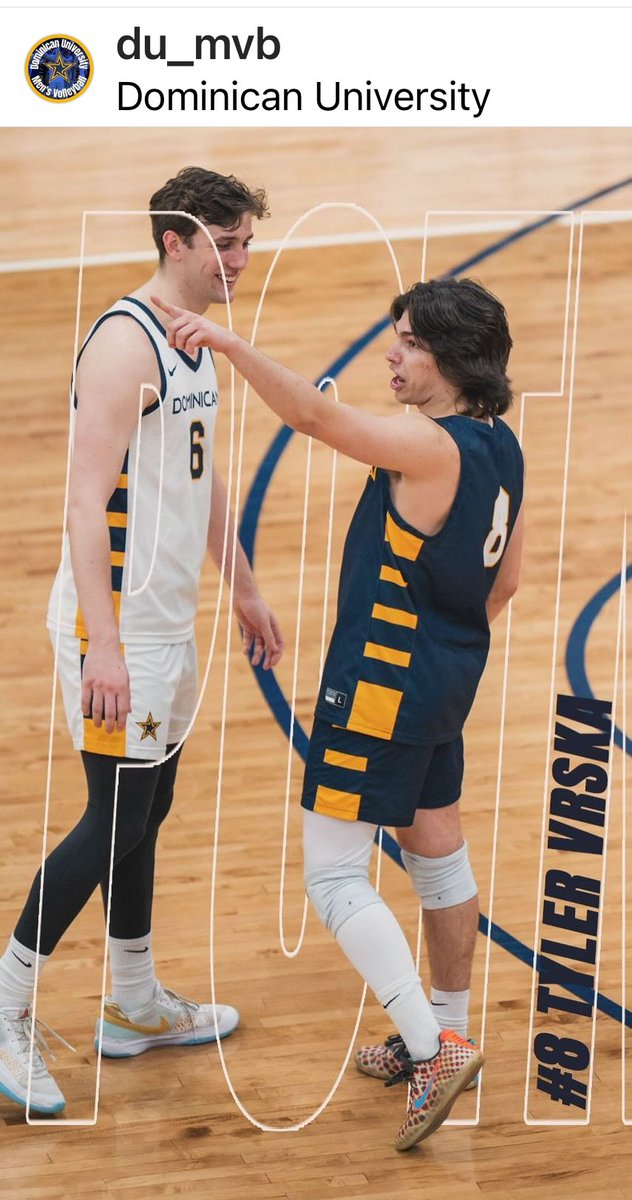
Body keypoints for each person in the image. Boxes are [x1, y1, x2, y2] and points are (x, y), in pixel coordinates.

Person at [152, 277, 525, 1150]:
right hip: (444, 681)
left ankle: (434, 1052)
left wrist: (233, 346)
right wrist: (437, 644)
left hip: (379, 689)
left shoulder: (427, 447)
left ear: (452, 358)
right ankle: (446, 1025)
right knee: (438, 859)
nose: (389, 353)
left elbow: (317, 423)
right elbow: (504, 582)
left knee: (331, 877)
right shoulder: (500, 444)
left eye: (407, 342)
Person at [0, 167, 284, 1116]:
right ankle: (5, 1011)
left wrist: (241, 587)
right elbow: (83, 506)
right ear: (176, 241)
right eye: (225, 244)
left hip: (164, 624)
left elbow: (195, 482)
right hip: (117, 629)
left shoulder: (195, 342)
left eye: (245, 242)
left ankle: (132, 1002)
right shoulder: (125, 344)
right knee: (112, 819)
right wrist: (103, 646)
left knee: (146, 810)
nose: (239, 260)